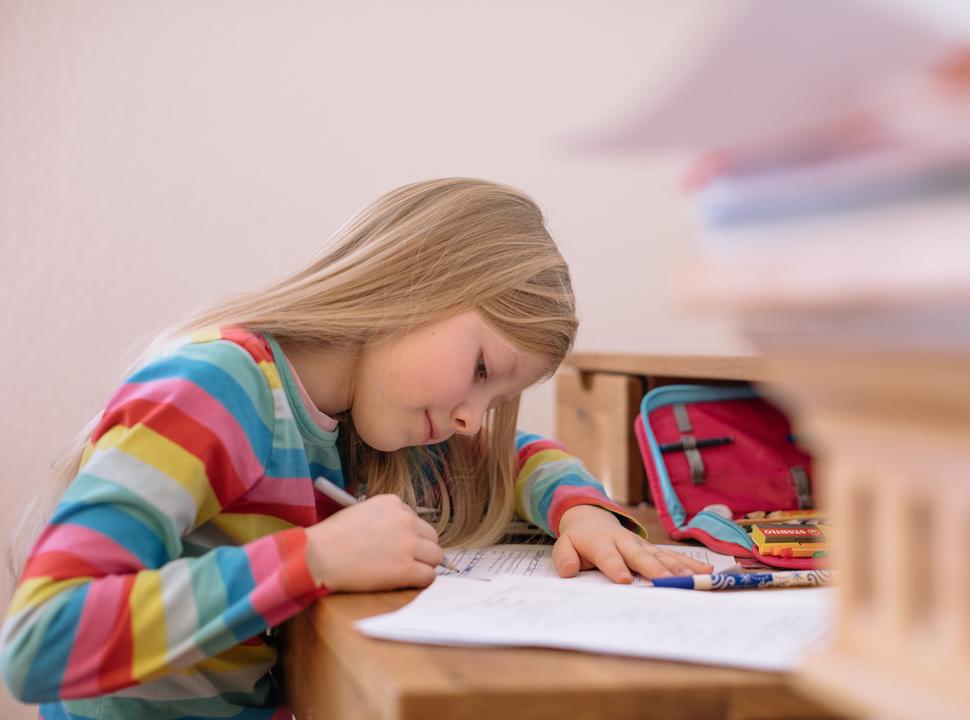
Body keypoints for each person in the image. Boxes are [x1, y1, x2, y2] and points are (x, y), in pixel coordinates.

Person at [0, 178, 712, 719]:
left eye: (493, 402)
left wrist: (582, 514)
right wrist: (312, 559)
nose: (474, 421)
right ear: (414, 271)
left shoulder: (349, 425)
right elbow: (38, 641)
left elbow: (518, 456)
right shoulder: (220, 390)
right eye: (481, 373)